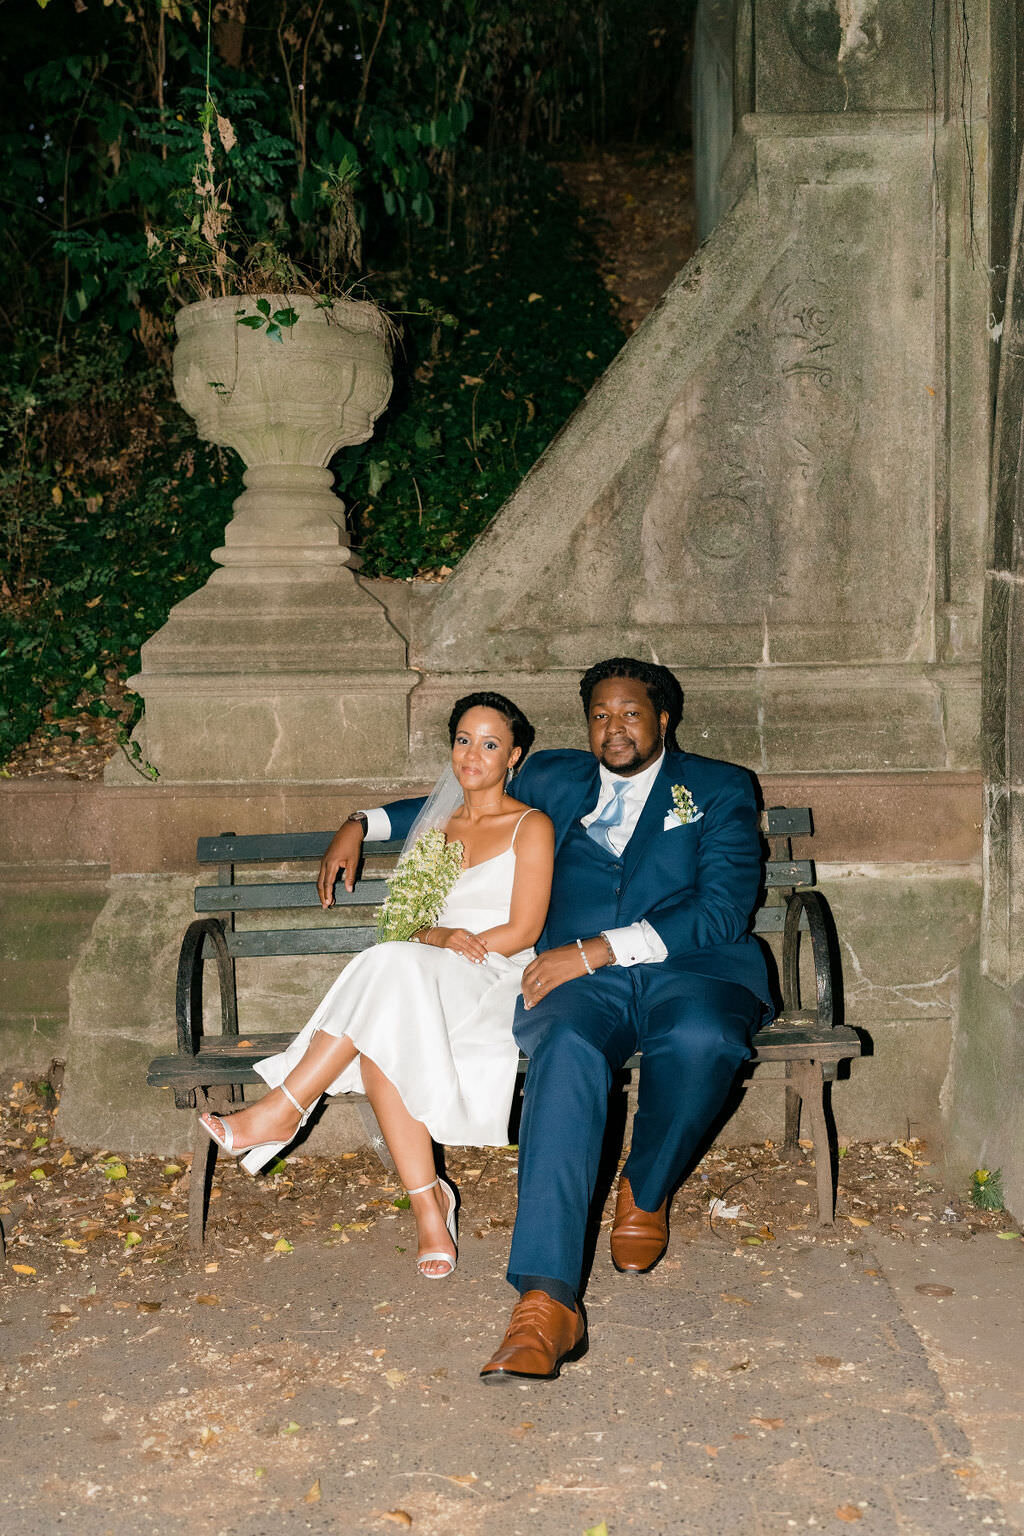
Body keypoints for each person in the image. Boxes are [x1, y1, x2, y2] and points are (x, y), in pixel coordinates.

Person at [318, 658, 771, 1372]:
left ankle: (646, 1188)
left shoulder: (717, 787)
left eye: (629, 713)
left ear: (663, 719)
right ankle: (546, 1301)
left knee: (703, 1039)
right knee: (564, 1049)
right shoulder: (558, 778)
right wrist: (360, 822)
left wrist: (595, 950)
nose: (613, 728)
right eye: (599, 714)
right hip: (578, 986)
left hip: (691, 970)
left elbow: (720, 910)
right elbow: (466, 792)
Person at [199, 692, 554, 1280]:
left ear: (513, 756)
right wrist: (357, 828)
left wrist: (447, 944)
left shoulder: (530, 825)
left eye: (490, 744)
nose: (473, 754)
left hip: (496, 975)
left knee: (388, 973)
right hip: (428, 971)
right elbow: (411, 923)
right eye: (463, 740)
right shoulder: (437, 825)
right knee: (386, 1008)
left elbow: (526, 928)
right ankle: (429, 1210)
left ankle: (284, 1107)